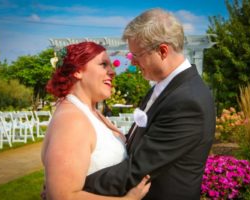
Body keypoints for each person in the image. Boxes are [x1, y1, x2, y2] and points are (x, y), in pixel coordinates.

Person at [84, 8, 216, 200]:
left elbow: (138, 169)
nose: (133, 62)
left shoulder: (188, 101)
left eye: (136, 55)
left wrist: (73, 187)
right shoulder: (163, 88)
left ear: (162, 51)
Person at [41, 41, 150, 200]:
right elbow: (61, 196)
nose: (112, 72)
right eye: (103, 64)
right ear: (78, 70)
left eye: (111, 66)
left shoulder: (89, 112)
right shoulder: (73, 120)